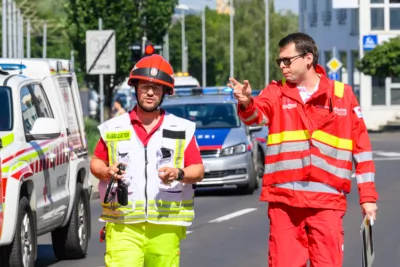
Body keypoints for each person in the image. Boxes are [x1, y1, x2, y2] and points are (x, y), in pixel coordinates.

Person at [228, 32, 378, 267]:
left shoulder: (342, 95)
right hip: (285, 203)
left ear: (308, 58)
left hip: (326, 202)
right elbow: (257, 116)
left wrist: (367, 198)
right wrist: (247, 102)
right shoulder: (276, 92)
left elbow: (362, 148)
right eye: (279, 61)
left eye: (287, 60)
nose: (282, 66)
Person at [90, 54, 204, 267]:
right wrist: (106, 171)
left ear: (164, 93)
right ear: (135, 88)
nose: (150, 93)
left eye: (157, 88)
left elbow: (197, 169)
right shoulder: (114, 127)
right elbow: (96, 161)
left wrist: (179, 173)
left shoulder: (181, 128)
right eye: (145, 87)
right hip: (123, 225)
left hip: (165, 226)